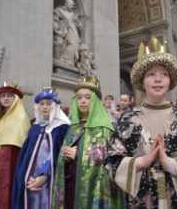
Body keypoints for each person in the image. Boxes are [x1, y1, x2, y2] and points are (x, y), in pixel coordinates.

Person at [105, 36, 177, 209]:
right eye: (151, 74)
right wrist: (141, 162)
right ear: (141, 81)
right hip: (141, 201)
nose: (158, 79)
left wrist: (170, 164)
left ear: (170, 80)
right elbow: (111, 162)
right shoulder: (128, 120)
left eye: (164, 74)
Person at [52, 77, 125, 209]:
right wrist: (66, 158)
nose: (83, 101)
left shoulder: (104, 129)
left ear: (96, 101)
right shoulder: (73, 128)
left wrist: (77, 155)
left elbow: (107, 162)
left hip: (94, 191)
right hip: (71, 186)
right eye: (79, 97)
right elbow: (62, 160)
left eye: (88, 97)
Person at [12, 87, 70, 209]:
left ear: (55, 106)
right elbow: (25, 157)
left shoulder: (61, 128)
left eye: (49, 104)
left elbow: (59, 153)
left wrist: (44, 174)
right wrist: (26, 176)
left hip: (50, 176)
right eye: (41, 104)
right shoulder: (34, 128)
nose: (44, 107)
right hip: (31, 178)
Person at [0, 82, 30, 209]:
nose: (6, 98)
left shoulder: (20, 119)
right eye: (3, 96)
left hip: (2, 167)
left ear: (16, 99)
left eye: (10, 95)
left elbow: (16, 150)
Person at [53, 0, 82, 66]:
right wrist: (57, 30)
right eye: (71, 4)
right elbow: (55, 21)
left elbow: (79, 27)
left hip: (74, 32)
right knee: (72, 44)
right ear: (66, 3)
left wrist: (77, 21)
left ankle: (70, 63)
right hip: (65, 31)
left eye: (73, 5)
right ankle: (63, 59)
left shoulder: (73, 14)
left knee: (75, 46)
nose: (72, 6)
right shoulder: (59, 10)